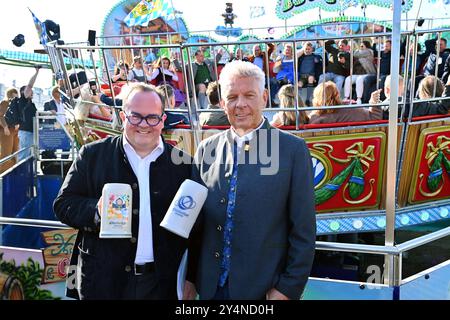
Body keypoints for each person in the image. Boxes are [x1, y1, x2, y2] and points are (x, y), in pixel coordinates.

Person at [184, 61, 316, 300]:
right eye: (232, 97)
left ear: (264, 97)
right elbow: (197, 226)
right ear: (222, 103)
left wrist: (288, 288)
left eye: (249, 95)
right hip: (210, 289)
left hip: (264, 290)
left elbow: (303, 229)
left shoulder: (292, 150)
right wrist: (191, 278)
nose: (240, 104)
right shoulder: (206, 149)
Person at [53, 83, 192, 300]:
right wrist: (97, 211)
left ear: (163, 119)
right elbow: (63, 204)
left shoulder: (183, 164)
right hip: (104, 283)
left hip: (161, 285)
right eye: (135, 116)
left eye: (152, 117)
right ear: (122, 116)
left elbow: (197, 227)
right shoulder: (92, 155)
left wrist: (190, 278)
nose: (144, 125)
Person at [309, 81, 382, 124]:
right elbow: (375, 118)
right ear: (337, 94)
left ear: (316, 98)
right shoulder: (353, 109)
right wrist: (374, 102)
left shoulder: (314, 119)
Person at [17, 66, 40, 161]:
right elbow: (30, 85)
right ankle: (21, 173)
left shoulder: (31, 104)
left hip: (31, 132)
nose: (31, 91)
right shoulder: (23, 100)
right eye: (28, 90)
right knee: (24, 155)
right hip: (26, 132)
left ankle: (27, 173)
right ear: (23, 92)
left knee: (30, 155)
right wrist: (37, 72)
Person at [0, 88, 19, 173]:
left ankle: (12, 171)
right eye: (13, 94)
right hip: (6, 131)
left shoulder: (15, 104)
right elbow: (0, 116)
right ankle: (3, 173)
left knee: (15, 152)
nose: (15, 96)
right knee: (6, 153)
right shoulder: (4, 103)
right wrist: (5, 127)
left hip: (15, 131)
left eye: (16, 94)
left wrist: (18, 123)